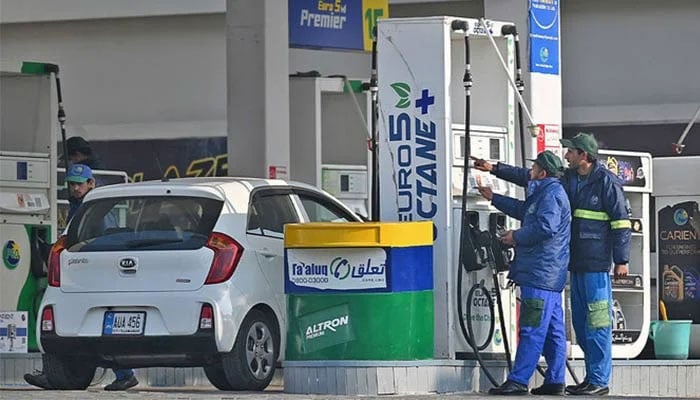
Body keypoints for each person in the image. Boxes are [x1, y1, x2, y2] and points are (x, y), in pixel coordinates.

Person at [474, 132, 631, 396]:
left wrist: (622, 260)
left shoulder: (606, 182)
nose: (566, 155)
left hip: (594, 265)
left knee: (597, 322)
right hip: (573, 263)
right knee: (580, 325)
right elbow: (527, 176)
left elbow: (621, 222)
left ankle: (599, 380)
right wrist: (494, 169)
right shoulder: (567, 180)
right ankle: (583, 379)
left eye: (570, 151)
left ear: (584, 155)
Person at [24, 164, 138, 391]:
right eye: (72, 184)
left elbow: (94, 243)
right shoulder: (83, 207)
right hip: (86, 276)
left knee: (96, 325)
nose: (75, 188)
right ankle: (119, 373)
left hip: (93, 277)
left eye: (79, 183)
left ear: (91, 183)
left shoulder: (95, 210)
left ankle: (124, 373)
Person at [473, 151, 571, 396]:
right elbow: (524, 210)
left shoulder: (551, 194)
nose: (531, 171)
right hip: (548, 273)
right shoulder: (546, 191)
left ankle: (518, 380)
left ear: (542, 172)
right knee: (552, 330)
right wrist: (493, 196)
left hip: (540, 272)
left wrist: (515, 237)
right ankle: (555, 381)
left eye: (534, 167)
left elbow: (545, 227)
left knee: (532, 327)